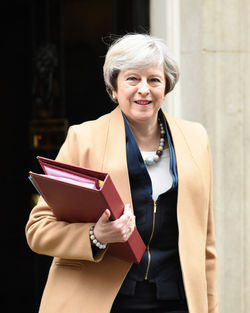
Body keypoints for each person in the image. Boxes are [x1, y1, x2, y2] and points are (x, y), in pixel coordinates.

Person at [26, 33, 219, 313]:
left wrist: (211, 307)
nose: (144, 89)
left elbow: (206, 243)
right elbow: (38, 229)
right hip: (103, 303)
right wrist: (96, 236)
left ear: (166, 88)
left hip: (177, 301)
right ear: (114, 88)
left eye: (154, 79)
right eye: (132, 79)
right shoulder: (84, 139)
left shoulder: (196, 139)